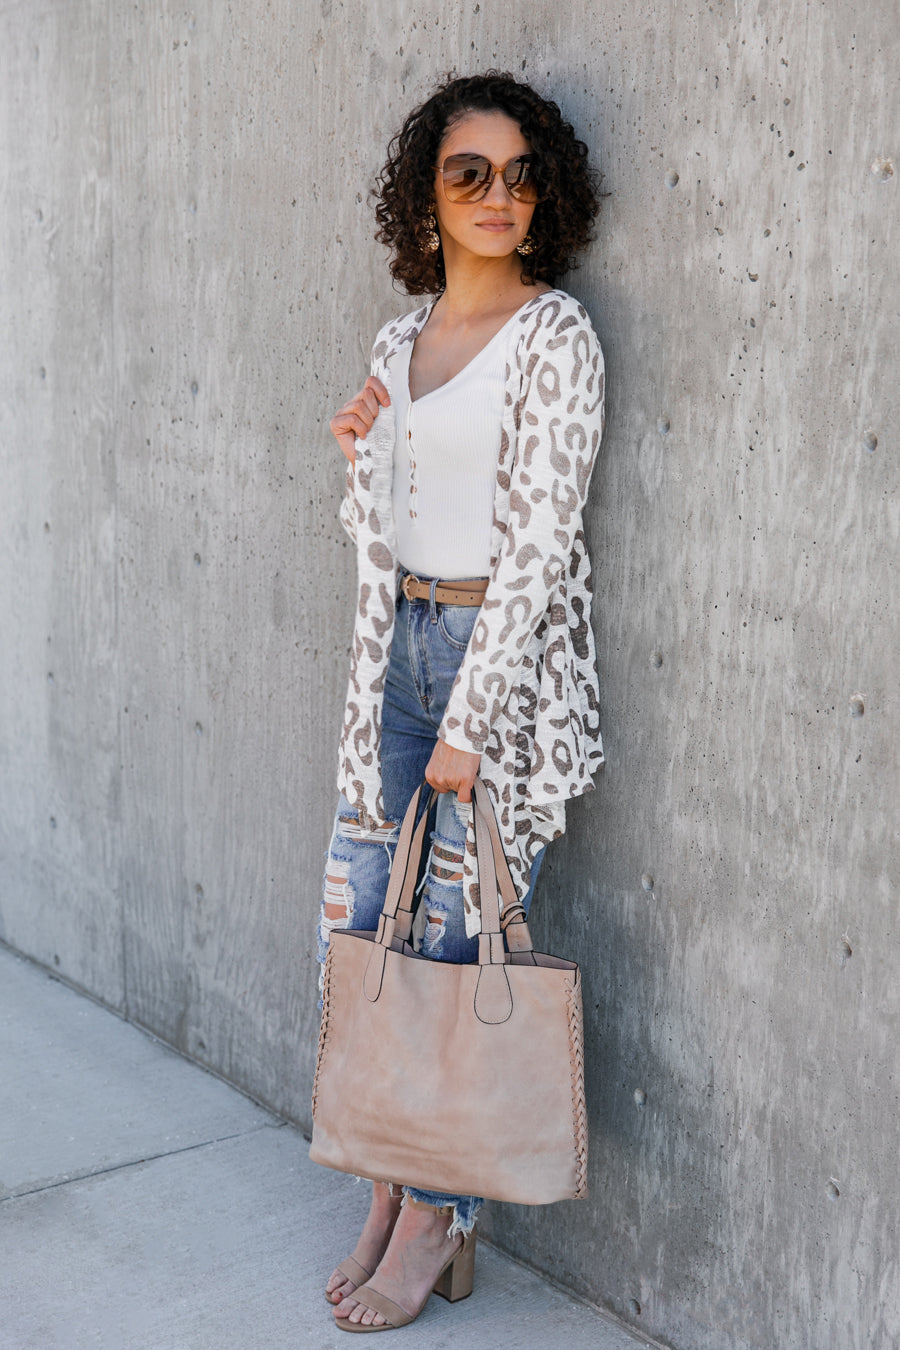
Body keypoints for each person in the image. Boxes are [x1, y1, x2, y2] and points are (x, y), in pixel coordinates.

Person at [317, 70, 606, 1332]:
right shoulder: (399, 341)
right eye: (468, 173)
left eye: (520, 174)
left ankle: (438, 1220)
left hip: (499, 667)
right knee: (369, 935)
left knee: (452, 939)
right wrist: (359, 459)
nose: (498, 195)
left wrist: (472, 723)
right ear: (426, 196)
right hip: (395, 654)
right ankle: (389, 1188)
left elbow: (541, 547)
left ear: (547, 196)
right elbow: (377, 538)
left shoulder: (557, 336)